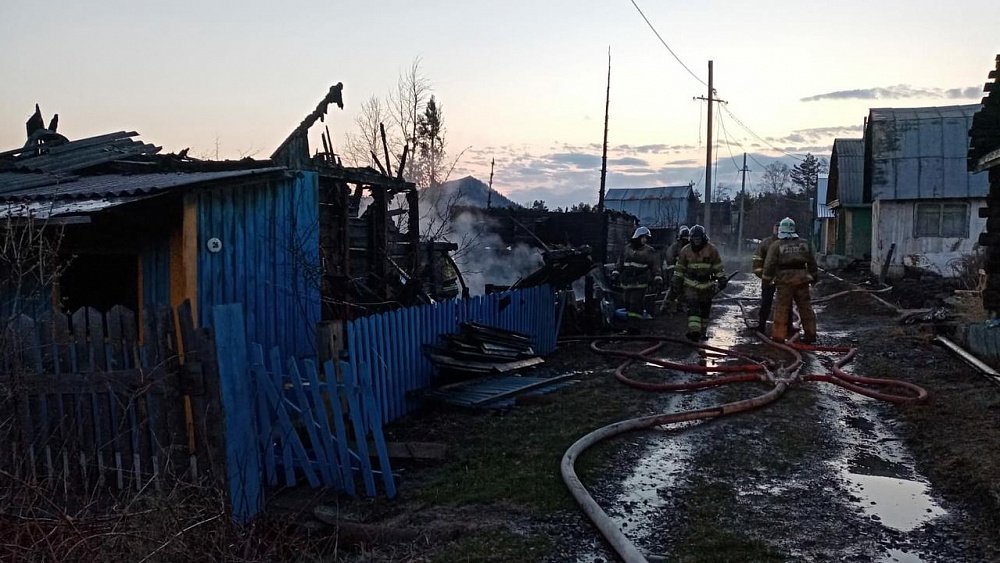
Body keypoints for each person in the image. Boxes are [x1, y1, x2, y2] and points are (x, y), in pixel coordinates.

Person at [762, 217, 818, 344]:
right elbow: (812, 262)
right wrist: (814, 277)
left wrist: (766, 280)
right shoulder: (804, 243)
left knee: (782, 308)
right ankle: (811, 335)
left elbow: (769, 264)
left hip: (784, 280)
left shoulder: (776, 245)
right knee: (805, 307)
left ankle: (779, 337)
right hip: (802, 280)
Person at [671, 224, 726, 341]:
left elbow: (718, 267)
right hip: (690, 284)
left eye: (698, 239)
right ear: (691, 239)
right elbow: (679, 268)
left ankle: (702, 332)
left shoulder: (712, 250)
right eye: (694, 239)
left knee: (705, 309)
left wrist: (721, 278)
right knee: (693, 307)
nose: (696, 241)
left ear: (703, 238)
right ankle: (694, 332)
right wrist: (676, 282)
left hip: (707, 285)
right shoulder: (685, 251)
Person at [612, 226, 663, 334]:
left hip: (640, 283)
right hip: (626, 283)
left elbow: (655, 266)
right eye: (643, 237)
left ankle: (634, 328)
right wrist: (615, 273)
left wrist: (657, 278)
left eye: (646, 238)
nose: (645, 240)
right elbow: (620, 263)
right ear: (637, 237)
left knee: (635, 304)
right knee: (627, 304)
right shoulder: (626, 249)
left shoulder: (649, 251)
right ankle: (630, 326)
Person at [752, 221, 791, 333]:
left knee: (786, 303)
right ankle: (761, 325)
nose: (778, 231)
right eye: (776, 228)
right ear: (773, 229)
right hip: (768, 278)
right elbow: (757, 262)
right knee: (766, 302)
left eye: (780, 229)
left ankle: (788, 327)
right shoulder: (765, 243)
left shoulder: (789, 243)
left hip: (784, 279)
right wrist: (764, 276)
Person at [662, 226, 690, 312]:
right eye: (684, 239)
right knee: (673, 290)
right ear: (680, 238)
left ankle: (681, 306)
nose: (685, 241)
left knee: (684, 290)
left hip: (686, 273)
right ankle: (665, 306)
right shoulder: (674, 247)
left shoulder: (690, 248)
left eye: (687, 239)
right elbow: (670, 261)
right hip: (675, 272)